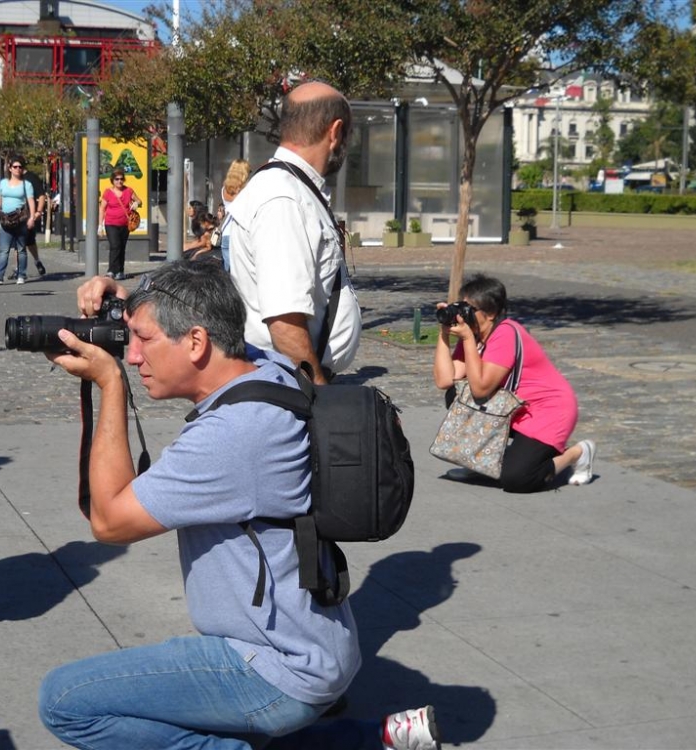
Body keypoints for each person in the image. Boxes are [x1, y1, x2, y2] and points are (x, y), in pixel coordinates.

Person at [41, 261, 441, 750]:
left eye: (143, 339)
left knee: (66, 701)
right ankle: (372, 739)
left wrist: (110, 385)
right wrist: (132, 303)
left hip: (274, 667)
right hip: (316, 646)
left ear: (195, 342)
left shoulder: (232, 436)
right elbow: (207, 319)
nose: (133, 355)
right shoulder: (267, 369)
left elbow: (108, 520)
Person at [227, 81, 361, 385]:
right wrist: (319, 397)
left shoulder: (292, 189)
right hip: (290, 385)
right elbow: (285, 325)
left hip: (287, 380)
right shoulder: (284, 199)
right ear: (335, 131)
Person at [433, 273, 597, 492]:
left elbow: (481, 389)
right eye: (462, 306)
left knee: (518, 479)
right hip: (513, 408)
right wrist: (443, 334)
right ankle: (481, 464)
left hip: (548, 411)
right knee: (455, 394)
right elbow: (445, 380)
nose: (464, 314)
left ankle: (577, 453)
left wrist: (467, 340)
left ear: (490, 313)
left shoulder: (506, 333)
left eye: (469, 309)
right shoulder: (475, 335)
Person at [0, 156, 36, 285]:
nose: (18, 169)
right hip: (5, 221)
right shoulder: (3, 183)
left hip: (20, 220)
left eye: (20, 167)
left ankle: (21, 274)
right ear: (10, 168)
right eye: (15, 167)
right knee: (3, 250)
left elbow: (31, 202)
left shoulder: (27, 185)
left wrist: (32, 217)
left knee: (21, 249)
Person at [97, 167, 141, 280]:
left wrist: (136, 203)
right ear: (113, 180)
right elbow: (102, 208)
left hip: (125, 224)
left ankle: (120, 271)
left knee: (122, 247)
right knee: (115, 246)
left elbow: (139, 201)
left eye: (121, 179)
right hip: (111, 223)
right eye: (117, 179)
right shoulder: (108, 192)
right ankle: (111, 271)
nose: (119, 181)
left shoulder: (129, 191)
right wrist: (100, 226)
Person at [219, 159, 251, 271]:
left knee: (228, 274)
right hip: (240, 234)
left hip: (226, 233)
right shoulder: (246, 191)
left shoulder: (224, 189)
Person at [19, 165, 48, 277]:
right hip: (15, 216)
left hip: (29, 215)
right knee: (19, 242)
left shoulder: (31, 178)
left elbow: (41, 195)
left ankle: (37, 260)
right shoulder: (11, 179)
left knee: (29, 242)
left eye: (17, 166)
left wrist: (39, 211)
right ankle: (20, 269)